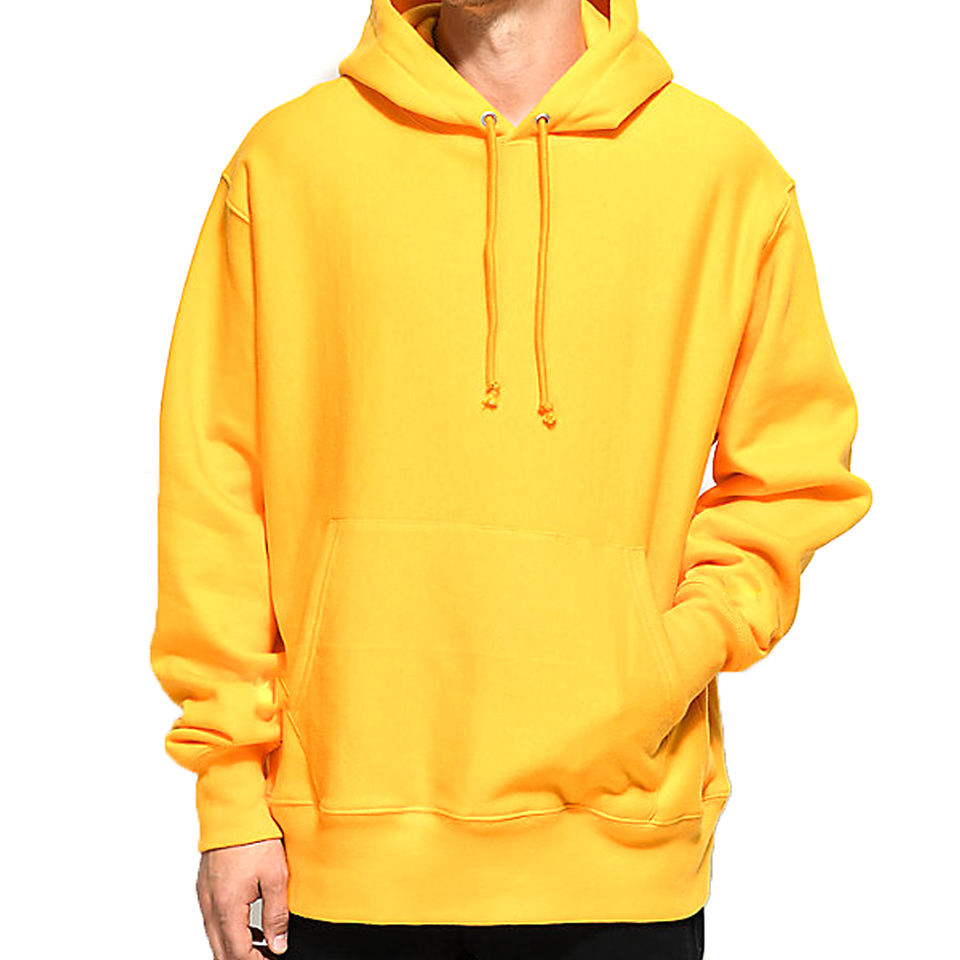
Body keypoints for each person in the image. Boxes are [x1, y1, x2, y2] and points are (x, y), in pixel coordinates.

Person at [149, 0, 873, 957]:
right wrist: (230, 793)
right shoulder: (288, 165)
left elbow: (792, 479)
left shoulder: (723, 177)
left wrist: (666, 656)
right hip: (344, 852)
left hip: (620, 852)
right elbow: (216, 488)